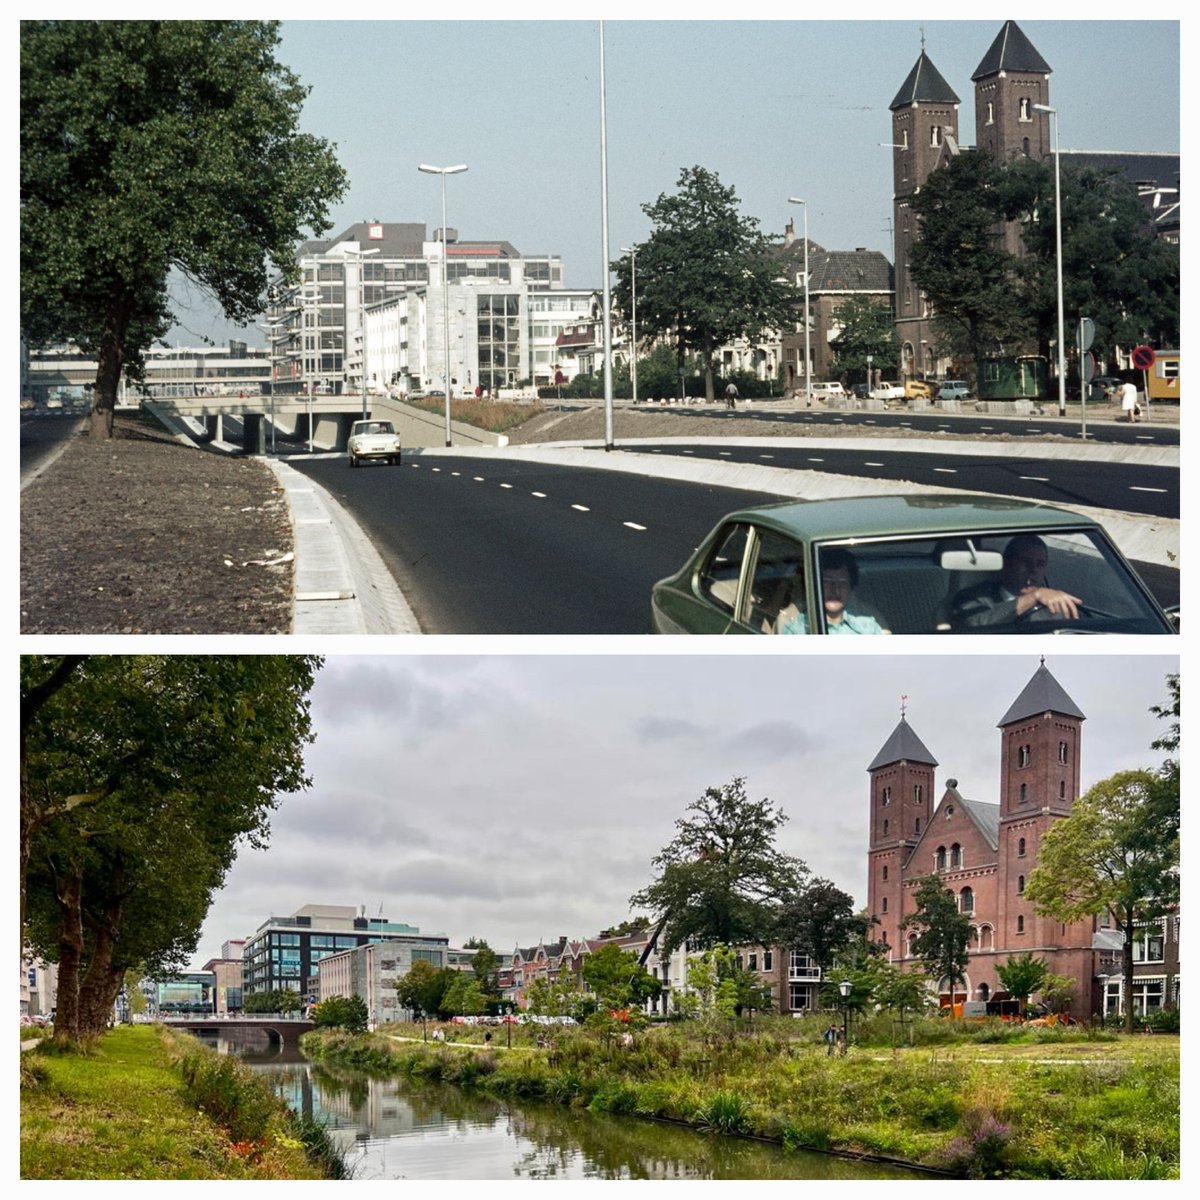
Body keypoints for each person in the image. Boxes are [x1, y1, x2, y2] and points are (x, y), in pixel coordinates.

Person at [950, 534, 1082, 628]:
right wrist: (1033, 597)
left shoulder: (1055, 606)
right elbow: (976, 626)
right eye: (1025, 562)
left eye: (1040, 564)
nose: (1033, 570)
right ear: (1007, 563)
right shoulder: (972, 597)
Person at [779, 548, 890, 635]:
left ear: (850, 587)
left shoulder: (868, 625)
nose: (835, 589)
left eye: (842, 582)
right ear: (815, 583)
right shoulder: (798, 630)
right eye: (827, 581)